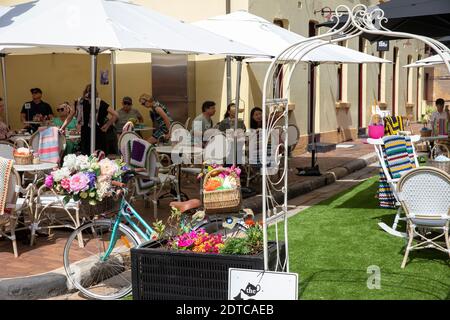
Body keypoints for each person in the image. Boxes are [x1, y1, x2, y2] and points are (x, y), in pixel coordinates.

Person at [60, 84, 118, 156]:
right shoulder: (101, 103)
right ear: (96, 92)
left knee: (87, 158)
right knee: (100, 158)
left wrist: (62, 128)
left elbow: (70, 117)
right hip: (99, 134)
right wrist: (107, 125)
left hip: (86, 135)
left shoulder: (79, 103)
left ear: (85, 92)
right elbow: (115, 115)